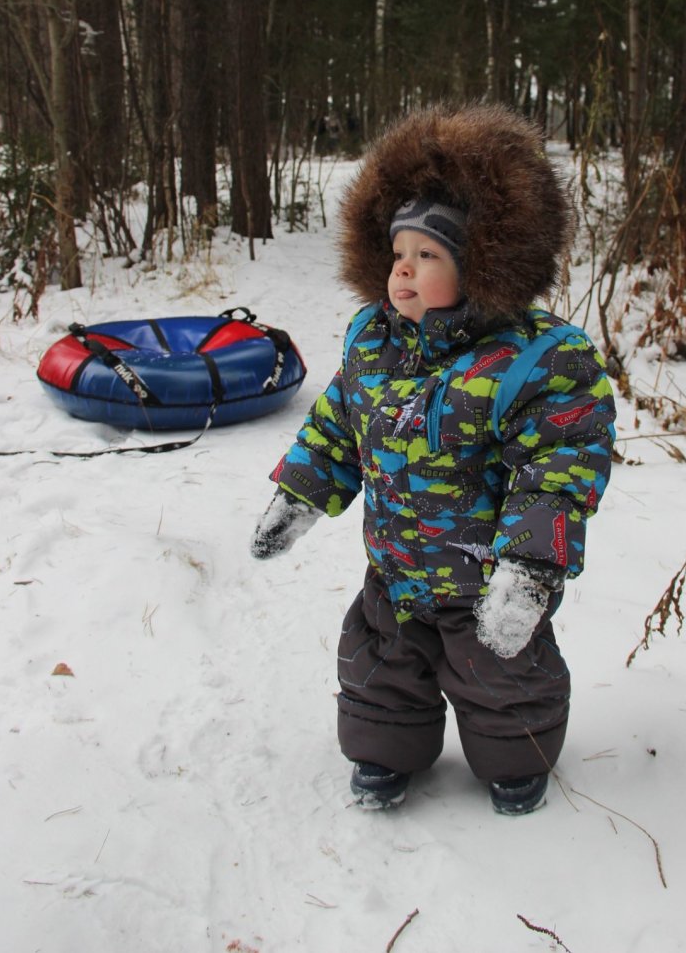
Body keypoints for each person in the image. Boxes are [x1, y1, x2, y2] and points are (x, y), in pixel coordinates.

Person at [251, 104, 616, 815]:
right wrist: (298, 495)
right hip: (394, 574)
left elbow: (558, 468)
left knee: (504, 678)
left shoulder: (537, 360)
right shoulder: (372, 344)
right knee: (380, 670)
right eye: (398, 255)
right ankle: (387, 754)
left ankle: (518, 759)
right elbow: (336, 427)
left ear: (478, 265)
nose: (405, 273)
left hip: (486, 585)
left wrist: (530, 567)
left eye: (429, 257)